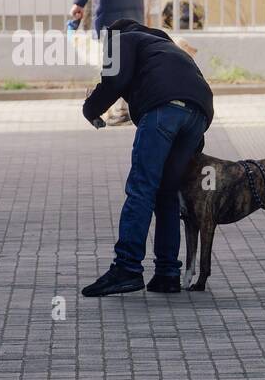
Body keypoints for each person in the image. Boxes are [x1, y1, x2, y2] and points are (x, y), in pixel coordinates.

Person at [80, 20, 215, 297]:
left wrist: (90, 109)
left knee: (142, 188)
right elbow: (194, 87)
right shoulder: (167, 47)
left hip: (162, 110)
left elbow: (113, 80)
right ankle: (167, 273)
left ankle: (127, 269)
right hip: (199, 114)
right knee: (166, 191)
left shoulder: (121, 39)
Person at [70, 0, 150, 126]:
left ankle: (118, 110)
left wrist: (78, 3)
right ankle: (129, 108)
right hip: (135, 17)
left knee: (112, 64)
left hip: (110, 17)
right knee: (130, 62)